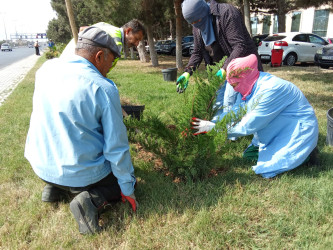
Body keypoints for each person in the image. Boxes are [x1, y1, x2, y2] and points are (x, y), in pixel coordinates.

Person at [25, 27, 137, 234]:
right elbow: (116, 148)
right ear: (99, 55)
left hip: (41, 167)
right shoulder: (103, 87)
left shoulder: (46, 70)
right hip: (78, 175)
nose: (109, 68)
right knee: (125, 179)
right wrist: (128, 188)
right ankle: (90, 202)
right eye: (110, 62)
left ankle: (54, 187)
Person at [191, 54, 319, 179]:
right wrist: (212, 122)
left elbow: (249, 124)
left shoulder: (271, 89)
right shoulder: (248, 86)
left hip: (297, 129)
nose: (234, 89)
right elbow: (236, 111)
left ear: (244, 78)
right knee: (249, 156)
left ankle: (307, 153)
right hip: (277, 126)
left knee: (270, 168)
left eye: (235, 85)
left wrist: (214, 128)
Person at [61, 19, 145, 70]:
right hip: (72, 68)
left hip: (65, 61)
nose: (137, 44)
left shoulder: (107, 27)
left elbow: (82, 29)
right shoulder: (116, 41)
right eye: (137, 38)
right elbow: (103, 70)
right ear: (128, 31)